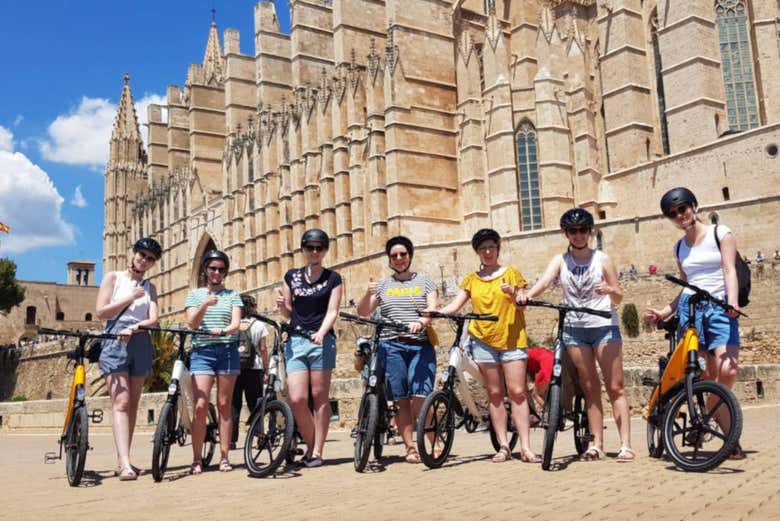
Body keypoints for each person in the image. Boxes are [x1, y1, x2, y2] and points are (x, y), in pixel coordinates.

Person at [518, 209, 634, 461]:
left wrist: (608, 290)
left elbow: (618, 296)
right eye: (573, 231)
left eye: (583, 230)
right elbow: (545, 281)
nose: (579, 235)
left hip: (603, 326)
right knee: (590, 387)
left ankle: (625, 444)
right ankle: (596, 444)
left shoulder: (602, 259)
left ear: (590, 232)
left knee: (615, 386)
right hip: (575, 329)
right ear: (566, 234)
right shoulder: (560, 260)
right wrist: (528, 296)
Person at [645, 187, 744, 459]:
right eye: (673, 214)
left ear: (694, 207)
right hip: (691, 312)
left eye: (683, 209)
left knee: (728, 371)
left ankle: (712, 418)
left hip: (720, 308)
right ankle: (729, 440)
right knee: (705, 375)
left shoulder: (720, 233)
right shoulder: (680, 247)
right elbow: (687, 285)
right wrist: (666, 311)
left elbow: (729, 269)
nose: (680, 215)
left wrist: (732, 301)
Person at [439, 229, 538, 463]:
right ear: (477, 252)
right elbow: (456, 304)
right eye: (482, 248)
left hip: (512, 340)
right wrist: (435, 313)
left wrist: (513, 292)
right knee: (494, 394)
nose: (487, 252)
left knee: (517, 392)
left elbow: (522, 304)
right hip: (483, 341)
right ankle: (503, 445)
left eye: (491, 247)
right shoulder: (472, 279)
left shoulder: (512, 274)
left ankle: (525, 447)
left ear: (497, 249)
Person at [356, 236, 439, 463]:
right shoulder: (383, 285)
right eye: (394, 256)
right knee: (401, 400)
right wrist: (368, 293)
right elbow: (363, 313)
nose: (399, 259)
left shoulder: (424, 281)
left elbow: (433, 306)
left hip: (420, 345)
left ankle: (434, 441)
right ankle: (410, 447)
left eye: (403, 254)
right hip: (391, 346)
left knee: (420, 397)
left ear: (410, 255)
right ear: (389, 259)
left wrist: (422, 321)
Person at [95, 237, 161, 480]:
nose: (144, 260)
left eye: (150, 258)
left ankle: (125, 459)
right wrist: (129, 298)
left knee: (133, 404)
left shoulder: (150, 287)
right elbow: (101, 311)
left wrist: (136, 328)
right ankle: (124, 463)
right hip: (115, 340)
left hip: (140, 340)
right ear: (133, 254)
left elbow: (153, 318)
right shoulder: (114, 278)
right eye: (141, 255)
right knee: (120, 403)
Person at [276, 229, 343, 467]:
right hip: (296, 341)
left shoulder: (333, 278)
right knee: (297, 398)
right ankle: (312, 441)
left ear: (325, 250)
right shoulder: (291, 276)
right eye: (310, 247)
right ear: (303, 249)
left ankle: (316, 451)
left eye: (319, 248)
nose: (314, 251)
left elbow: (333, 311)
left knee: (319, 397)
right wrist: (282, 306)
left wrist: (321, 333)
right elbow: (287, 314)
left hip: (322, 341)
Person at [185, 250, 243, 474]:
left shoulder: (233, 295)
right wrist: (205, 305)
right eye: (212, 268)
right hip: (202, 352)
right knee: (200, 406)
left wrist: (223, 331)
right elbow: (192, 323)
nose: (216, 272)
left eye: (220, 269)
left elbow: (236, 323)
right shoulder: (194, 295)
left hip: (227, 349)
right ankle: (197, 458)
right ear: (205, 270)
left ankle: (225, 456)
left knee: (224, 405)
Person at [230, 294, 269, 450]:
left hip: (234, 368)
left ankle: (231, 441)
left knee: (234, 404)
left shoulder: (233, 324)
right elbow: (263, 349)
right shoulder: (259, 325)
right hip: (254, 369)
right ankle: (259, 436)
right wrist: (266, 369)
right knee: (256, 404)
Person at [525, 347, 553, 415]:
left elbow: (526, 384)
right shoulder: (533, 352)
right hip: (556, 362)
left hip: (547, 366)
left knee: (535, 394)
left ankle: (551, 414)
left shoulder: (521, 357)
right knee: (545, 393)